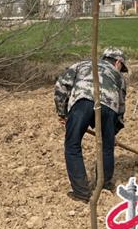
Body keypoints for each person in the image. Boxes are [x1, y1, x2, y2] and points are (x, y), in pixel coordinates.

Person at [54, 47, 128, 203]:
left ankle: (81, 193)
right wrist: (112, 133)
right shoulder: (118, 77)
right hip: (109, 108)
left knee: (73, 145)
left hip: (82, 103)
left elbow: (61, 85)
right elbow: (121, 107)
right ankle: (105, 186)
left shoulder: (83, 64)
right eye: (122, 67)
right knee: (106, 148)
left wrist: (62, 112)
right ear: (118, 62)